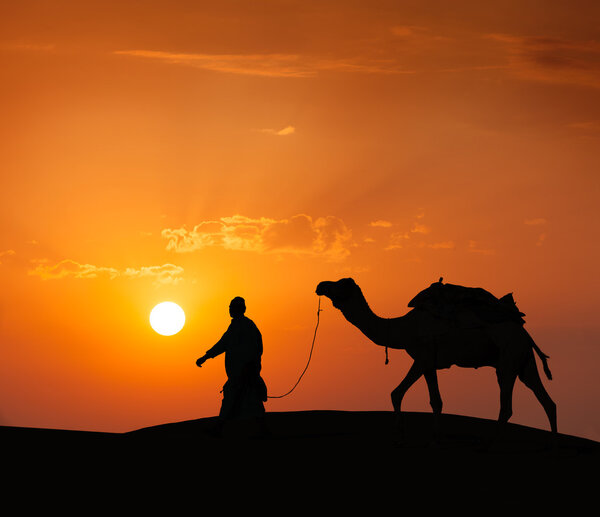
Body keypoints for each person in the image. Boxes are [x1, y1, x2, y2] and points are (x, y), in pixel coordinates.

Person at [196, 296, 269, 437]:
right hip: (238, 374)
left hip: (245, 373)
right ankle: (261, 430)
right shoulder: (237, 326)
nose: (229, 310)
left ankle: (219, 429)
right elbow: (223, 344)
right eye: (230, 307)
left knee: (240, 399)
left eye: (232, 307)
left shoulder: (246, 326)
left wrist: (250, 366)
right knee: (242, 399)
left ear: (239, 309)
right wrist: (206, 357)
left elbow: (255, 348)